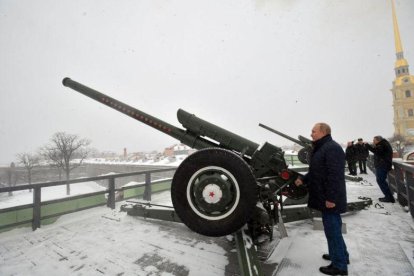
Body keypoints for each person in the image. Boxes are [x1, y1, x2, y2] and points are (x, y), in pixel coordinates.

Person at [295, 123, 349, 275]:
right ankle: (342, 256)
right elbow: (317, 171)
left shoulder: (331, 148)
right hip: (325, 196)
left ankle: (339, 266)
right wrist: (303, 179)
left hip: (329, 198)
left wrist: (331, 198)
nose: (311, 134)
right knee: (334, 228)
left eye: (313, 131)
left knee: (332, 231)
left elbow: (335, 176)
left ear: (323, 132)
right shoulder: (322, 147)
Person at [364, 136, 395, 203]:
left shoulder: (381, 145)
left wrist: (367, 146)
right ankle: (389, 197)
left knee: (381, 181)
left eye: (374, 140)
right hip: (383, 165)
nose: (373, 141)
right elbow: (378, 152)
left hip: (382, 165)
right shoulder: (383, 144)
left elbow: (377, 152)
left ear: (378, 140)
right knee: (381, 181)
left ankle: (389, 197)